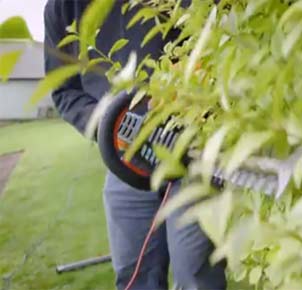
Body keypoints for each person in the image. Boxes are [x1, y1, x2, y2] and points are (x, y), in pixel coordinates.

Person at [43, 1, 226, 289]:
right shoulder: (62, 8)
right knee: (134, 274)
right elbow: (66, 92)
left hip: (192, 152)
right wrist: (113, 125)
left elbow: (216, 42)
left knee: (196, 274)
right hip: (126, 161)